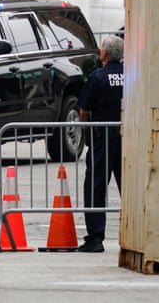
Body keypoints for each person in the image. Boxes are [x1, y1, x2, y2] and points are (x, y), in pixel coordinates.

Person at [77, 35, 124, 252]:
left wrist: (88, 132)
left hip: (102, 139)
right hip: (127, 139)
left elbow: (84, 110)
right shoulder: (131, 76)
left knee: (95, 188)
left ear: (103, 53)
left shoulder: (97, 77)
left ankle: (95, 238)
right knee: (130, 188)